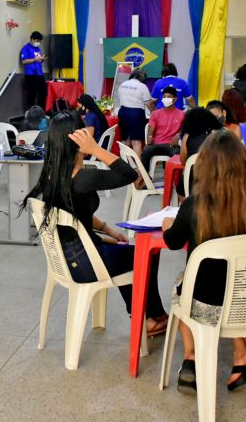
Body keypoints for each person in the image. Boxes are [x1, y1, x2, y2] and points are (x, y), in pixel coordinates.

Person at [23, 112, 168, 336]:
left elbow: (76, 214)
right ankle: (151, 317)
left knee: (125, 252)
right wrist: (96, 150)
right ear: (77, 138)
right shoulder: (83, 178)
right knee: (144, 254)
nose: (90, 133)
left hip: (70, 256)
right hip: (85, 262)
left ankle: (145, 315)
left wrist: (107, 230)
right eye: (85, 131)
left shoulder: (55, 174)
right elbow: (129, 174)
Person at [161, 130, 246, 392]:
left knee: (184, 287)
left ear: (203, 165)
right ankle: (242, 355)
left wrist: (167, 225)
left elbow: (171, 242)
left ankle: (192, 358)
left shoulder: (195, 205)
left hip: (204, 307)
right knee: (232, 282)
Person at [141, 86, 184, 173]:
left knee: (178, 154)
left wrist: (178, 135)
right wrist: (149, 136)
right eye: (164, 96)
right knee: (146, 151)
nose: (165, 99)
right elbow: (151, 130)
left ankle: (174, 180)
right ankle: (144, 178)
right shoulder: (155, 114)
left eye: (168, 97)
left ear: (175, 99)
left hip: (171, 145)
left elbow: (185, 129)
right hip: (156, 144)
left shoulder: (181, 114)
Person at [117, 68, 155, 157]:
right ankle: (138, 168)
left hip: (123, 112)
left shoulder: (123, 84)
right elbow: (148, 103)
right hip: (136, 114)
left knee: (125, 141)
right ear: (142, 78)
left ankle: (124, 165)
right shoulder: (142, 86)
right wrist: (154, 112)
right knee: (136, 142)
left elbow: (119, 98)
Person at [20, 31, 47, 110]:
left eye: (39, 41)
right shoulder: (26, 48)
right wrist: (35, 60)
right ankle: (31, 112)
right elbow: (24, 61)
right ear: (32, 39)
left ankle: (41, 111)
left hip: (39, 74)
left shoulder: (38, 49)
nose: (38, 43)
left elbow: (39, 59)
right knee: (32, 94)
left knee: (43, 92)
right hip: (31, 75)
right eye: (37, 41)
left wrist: (42, 59)